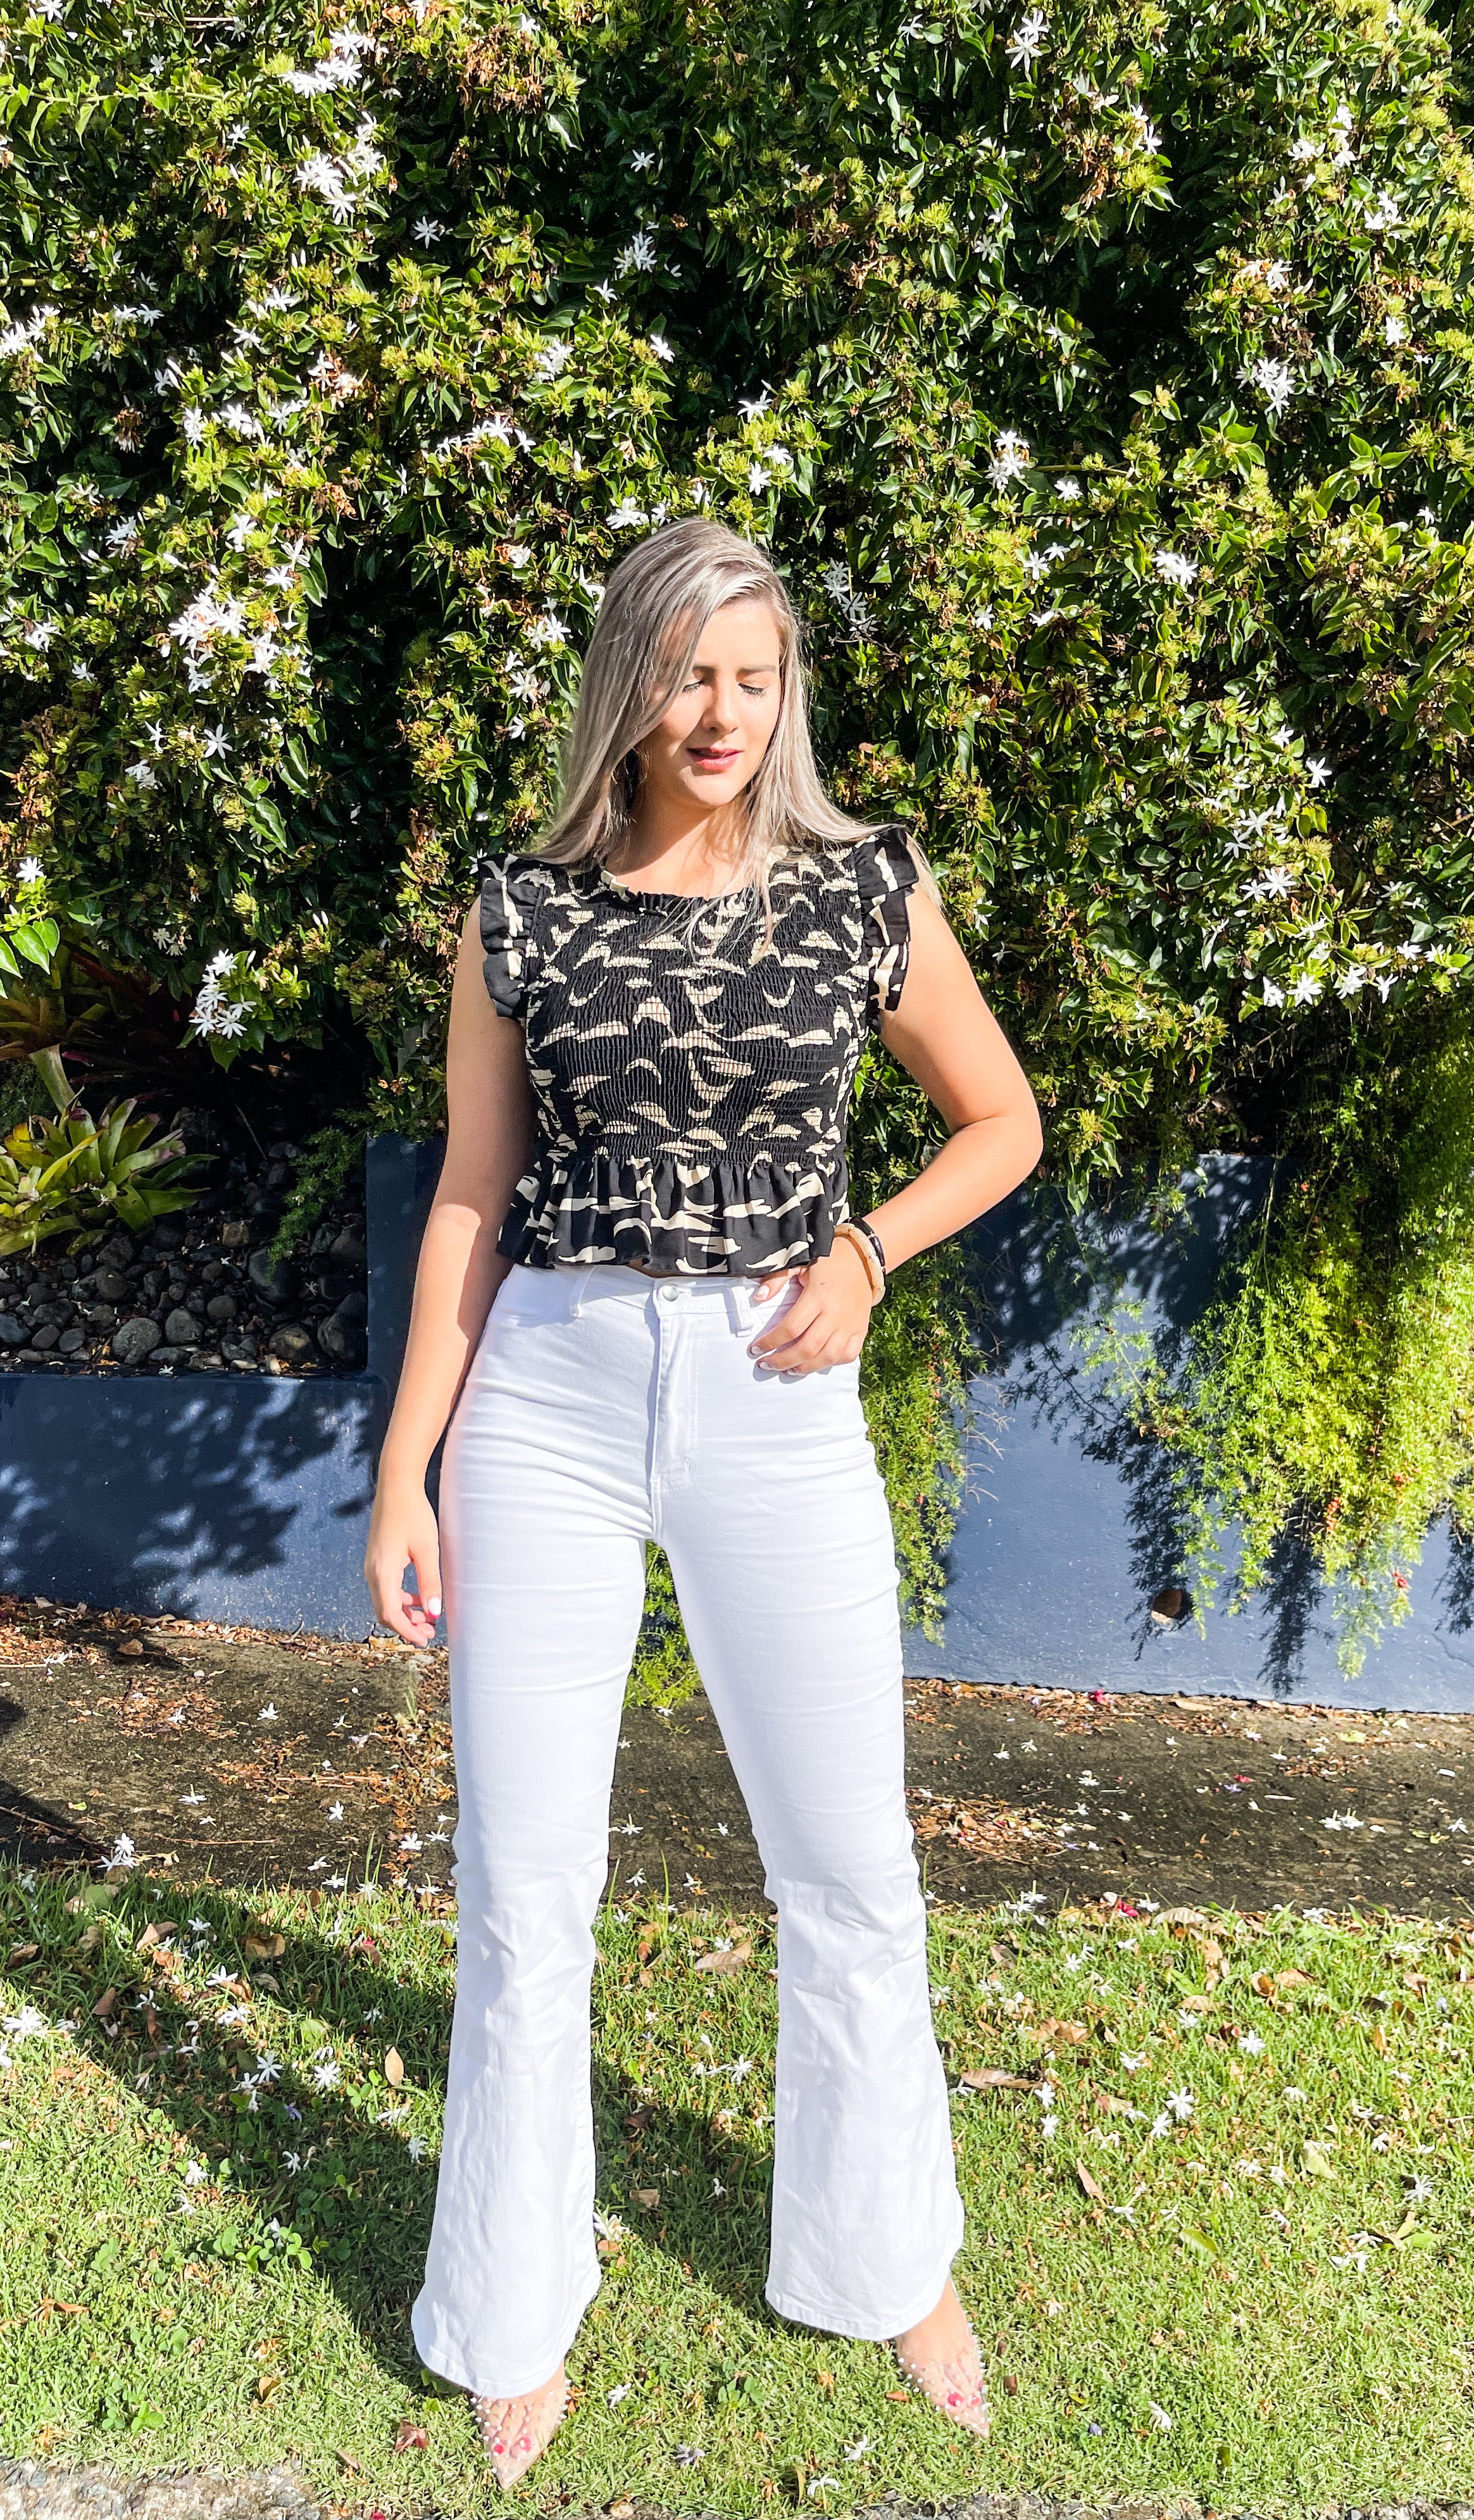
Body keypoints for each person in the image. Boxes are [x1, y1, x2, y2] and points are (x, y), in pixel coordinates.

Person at [365, 515, 1042, 2488]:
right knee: (524, 1892)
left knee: (849, 1866)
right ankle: (506, 2307)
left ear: (786, 690)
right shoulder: (524, 911)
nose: (721, 710)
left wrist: (874, 1253)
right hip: (552, 1404)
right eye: (686, 672)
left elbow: (998, 1119)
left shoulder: (861, 892)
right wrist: (406, 1464)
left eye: (752, 675)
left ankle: (888, 2259)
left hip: (772, 1394)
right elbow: (472, 1205)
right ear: (627, 684)